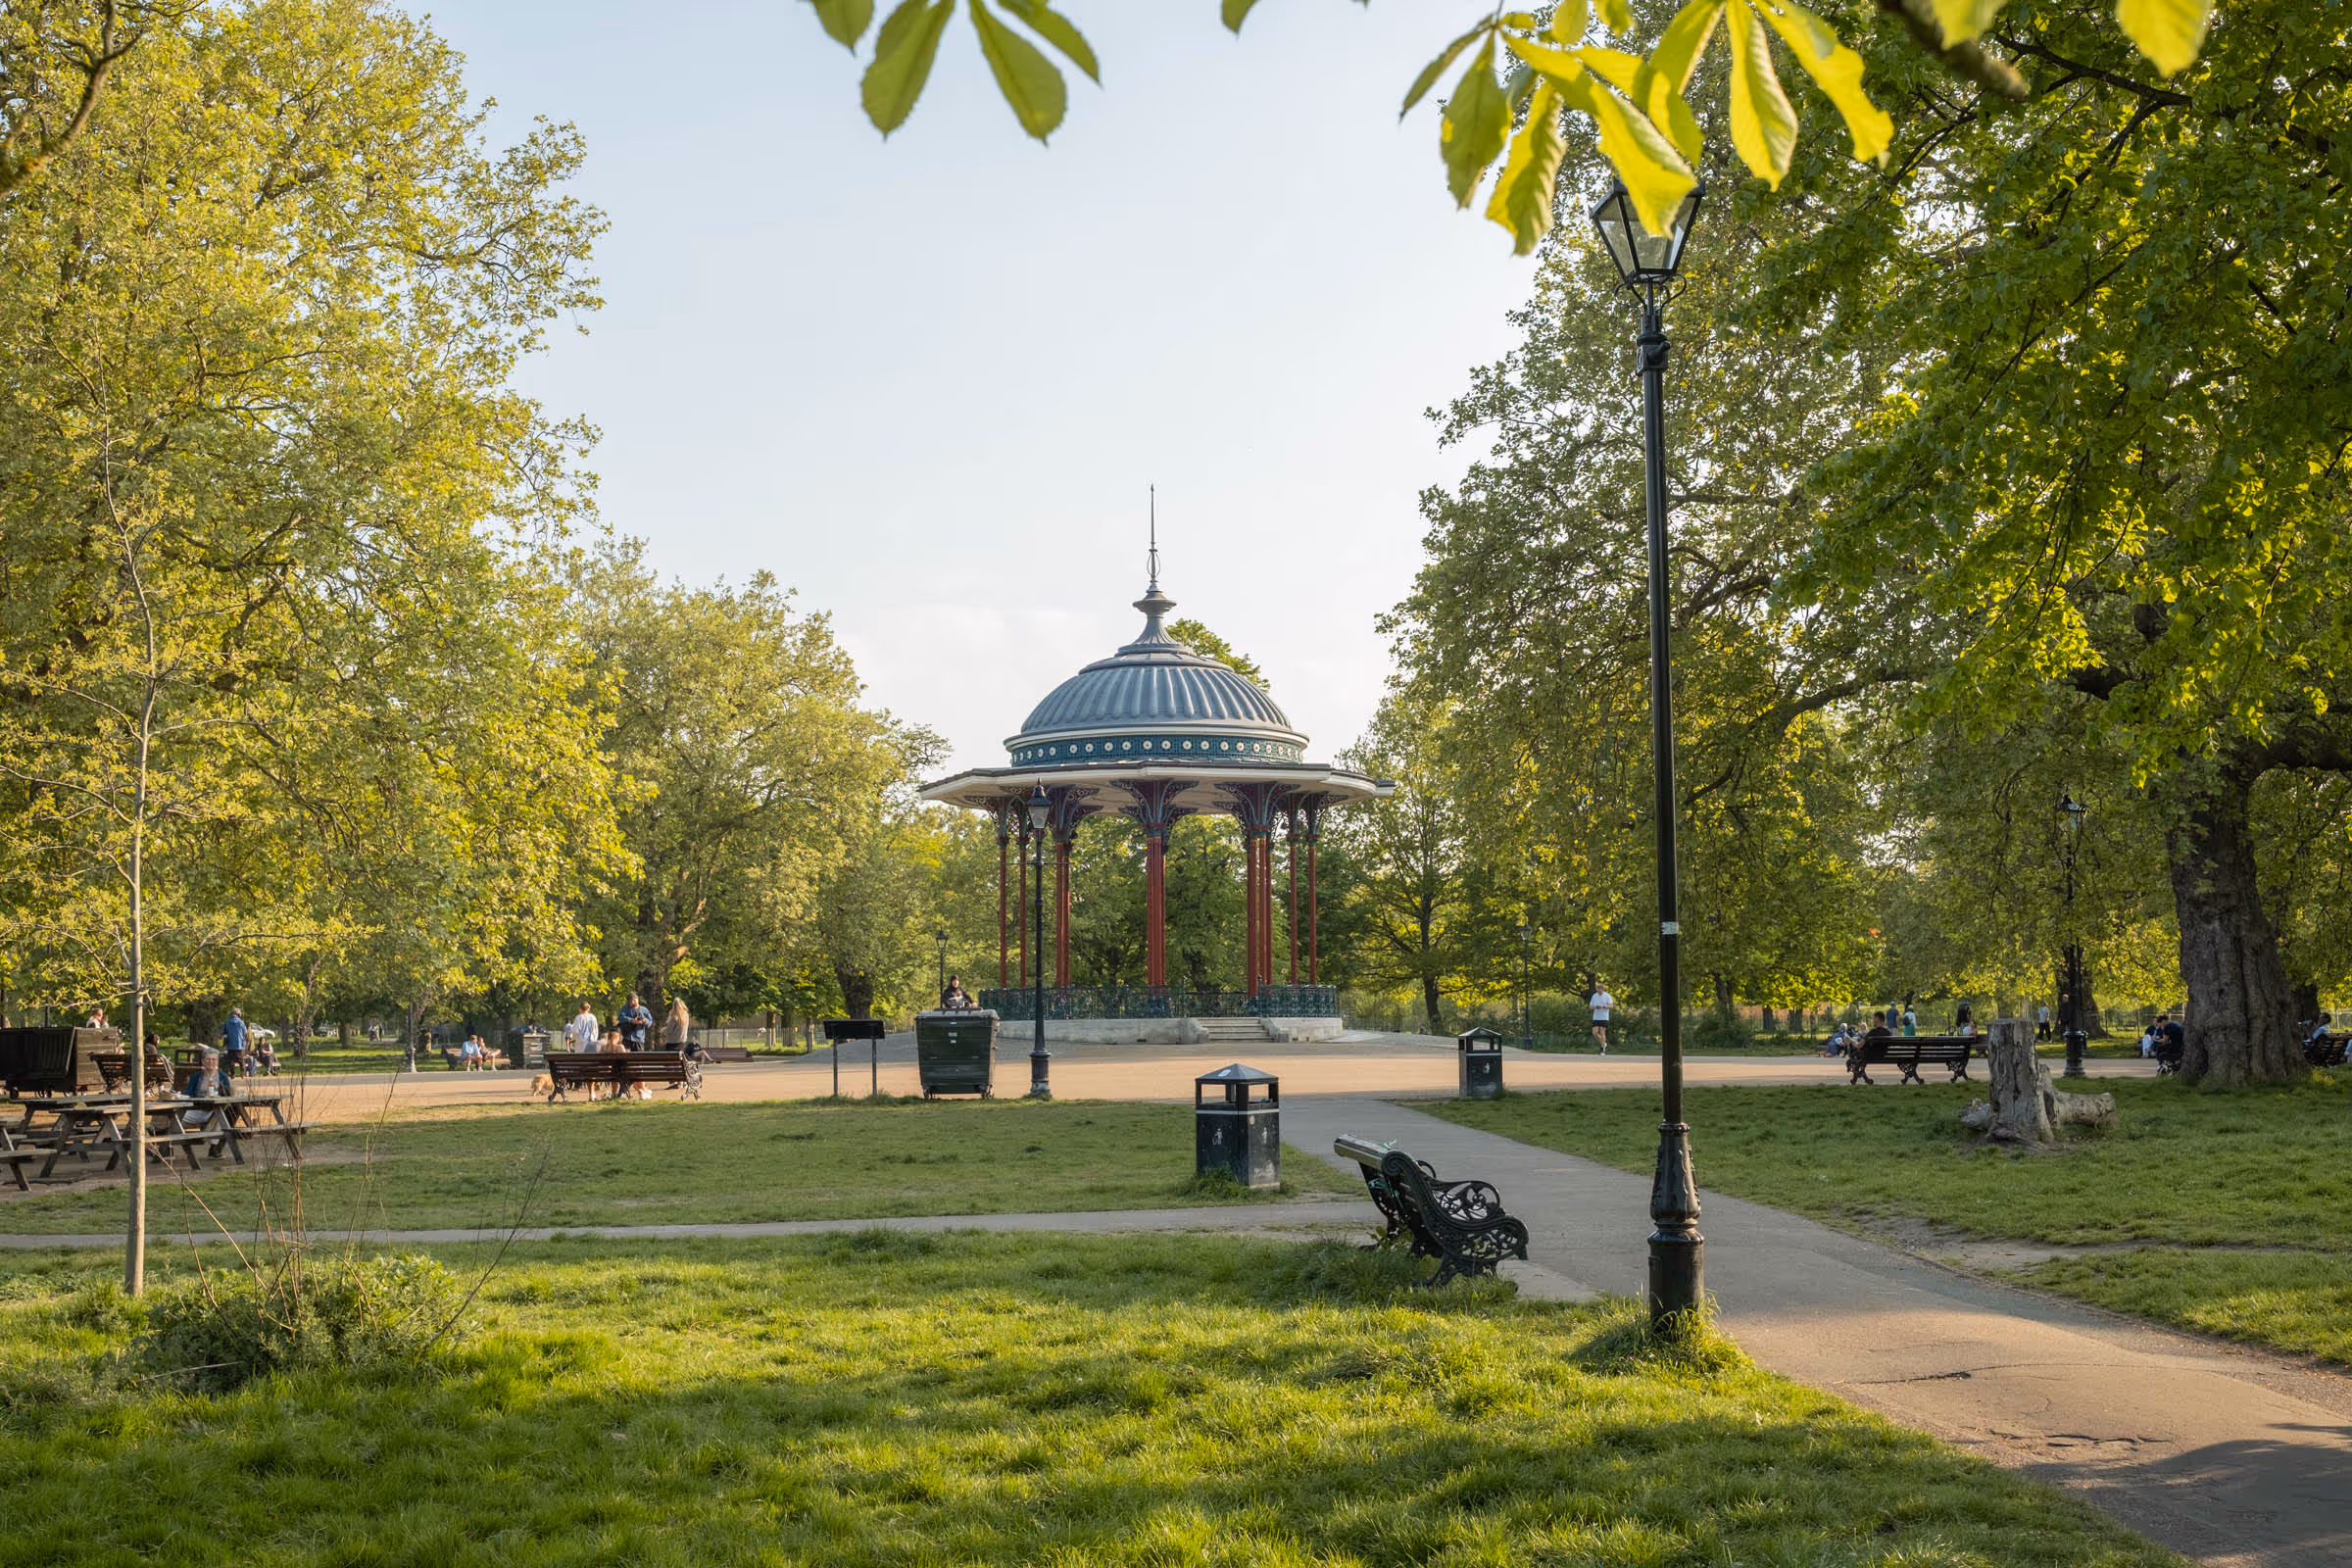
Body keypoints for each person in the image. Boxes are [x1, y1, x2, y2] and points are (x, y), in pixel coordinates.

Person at [220, 1006, 251, 1075]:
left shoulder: (227, 1022)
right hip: (240, 1045)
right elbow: (245, 1033)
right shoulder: (241, 1022)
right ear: (238, 1014)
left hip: (230, 1045)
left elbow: (222, 1033)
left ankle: (232, 1074)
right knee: (241, 1060)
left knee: (231, 1060)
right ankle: (243, 1073)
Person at [1588, 985, 1613, 1054]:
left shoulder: (1607, 996)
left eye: (1600, 990)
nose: (1599, 992)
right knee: (1594, 1033)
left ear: (1603, 989)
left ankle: (1602, 1049)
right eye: (1597, 990)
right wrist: (1595, 1007)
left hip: (1604, 1017)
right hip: (1596, 1017)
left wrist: (1604, 1006)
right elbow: (1590, 1006)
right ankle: (1603, 1044)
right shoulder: (1594, 996)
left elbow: (1611, 1006)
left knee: (1602, 1032)